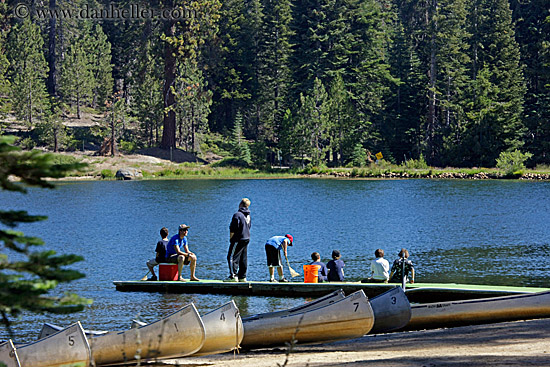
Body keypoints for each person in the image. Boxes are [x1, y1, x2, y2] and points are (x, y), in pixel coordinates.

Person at [225, 198, 251, 282]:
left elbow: (233, 228)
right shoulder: (248, 215)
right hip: (246, 238)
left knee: (231, 257)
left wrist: (231, 239)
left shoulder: (237, 214)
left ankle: (233, 276)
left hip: (238, 238)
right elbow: (249, 227)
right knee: (243, 257)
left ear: (240, 204)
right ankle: (242, 277)